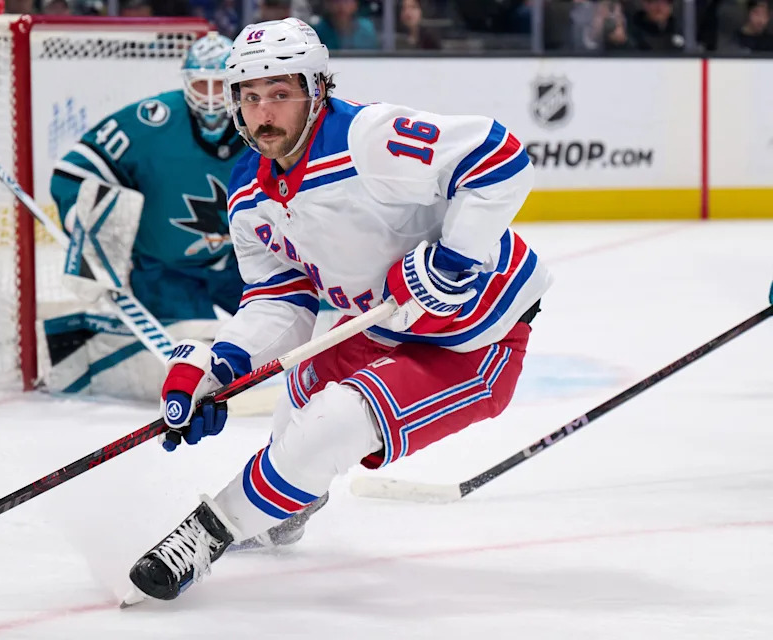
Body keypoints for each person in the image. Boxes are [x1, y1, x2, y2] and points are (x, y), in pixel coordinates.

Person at [124, 17, 551, 603]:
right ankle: (287, 501)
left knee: (332, 425)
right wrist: (219, 366)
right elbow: (281, 296)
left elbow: (498, 157)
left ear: (318, 89)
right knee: (297, 422)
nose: (263, 112)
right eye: (250, 96)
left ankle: (207, 534)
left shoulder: (369, 139)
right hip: (374, 325)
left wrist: (454, 259)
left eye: (280, 93)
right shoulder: (247, 192)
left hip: (472, 338)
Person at [41, 32, 247, 399]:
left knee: (307, 324)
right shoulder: (153, 121)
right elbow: (74, 171)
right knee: (190, 360)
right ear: (186, 83)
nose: (211, 97)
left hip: (239, 261)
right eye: (201, 84)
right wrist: (86, 229)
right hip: (164, 271)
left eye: (221, 85)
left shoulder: (259, 123)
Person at [313, 0, 380, 50]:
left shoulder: (366, 29)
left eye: (346, 1)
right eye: (336, 1)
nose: (341, 6)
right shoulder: (318, 32)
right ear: (327, 4)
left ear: (355, 4)